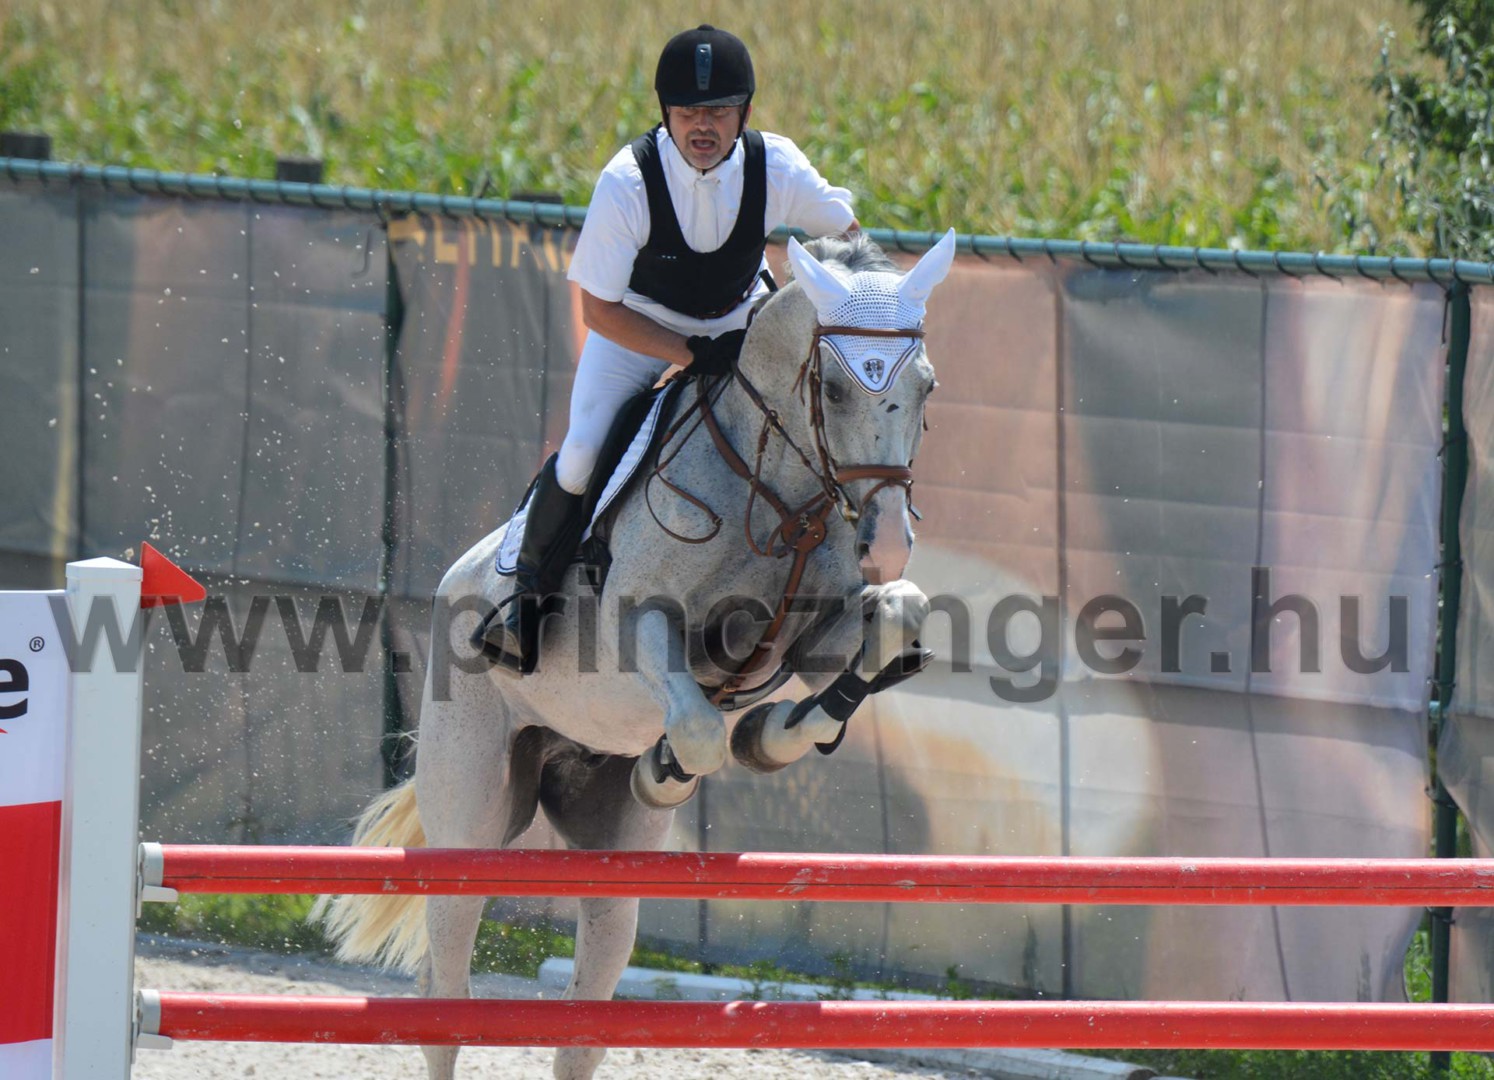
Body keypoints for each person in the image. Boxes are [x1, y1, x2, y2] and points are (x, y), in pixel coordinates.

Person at [484, 24, 858, 672]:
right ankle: (526, 599)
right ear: (665, 113)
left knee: (816, 421)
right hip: (640, 322)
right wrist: (688, 351)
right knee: (581, 452)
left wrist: (866, 302)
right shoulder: (627, 181)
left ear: (744, 113)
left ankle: (850, 572)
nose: (702, 126)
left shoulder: (777, 166)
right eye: (687, 111)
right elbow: (598, 310)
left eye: (719, 111)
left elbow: (850, 238)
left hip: (742, 314)